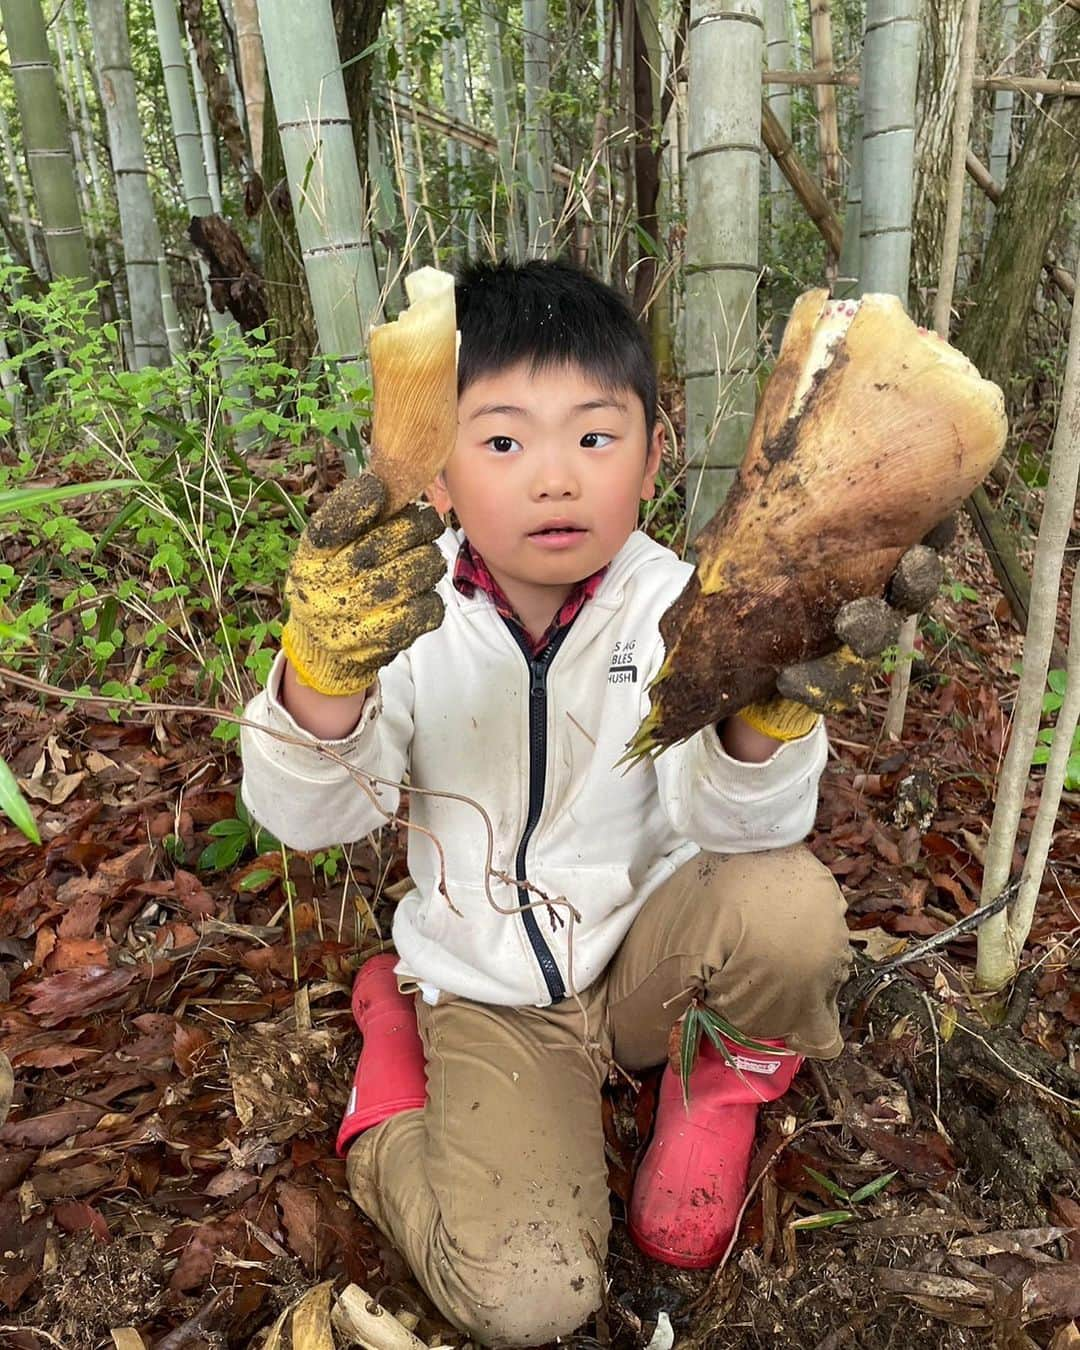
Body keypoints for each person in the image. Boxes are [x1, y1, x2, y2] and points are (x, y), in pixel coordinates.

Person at [240, 260, 903, 1346]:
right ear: (442, 470)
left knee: (790, 907)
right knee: (529, 1301)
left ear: (653, 453)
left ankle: (714, 1090)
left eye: (595, 437)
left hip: (646, 962)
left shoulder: (680, 605)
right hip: (492, 996)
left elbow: (739, 831)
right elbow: (312, 817)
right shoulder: (411, 609)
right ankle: (389, 1096)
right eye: (502, 441)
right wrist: (323, 669)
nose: (555, 479)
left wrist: (764, 721)